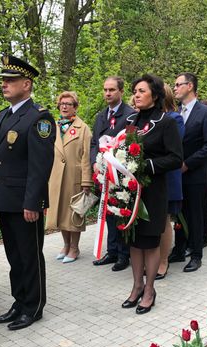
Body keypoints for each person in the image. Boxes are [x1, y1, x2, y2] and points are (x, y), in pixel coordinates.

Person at [0, 55, 55, 330]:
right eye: (3, 80)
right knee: (14, 256)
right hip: (5, 198)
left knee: (29, 256)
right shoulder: (2, 116)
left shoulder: (39, 118)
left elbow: (40, 166)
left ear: (26, 84)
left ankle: (34, 306)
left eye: (10, 80)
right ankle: (19, 301)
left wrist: (33, 202)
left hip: (25, 202)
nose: (4, 84)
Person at [121, 74, 183, 314]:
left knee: (149, 240)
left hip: (154, 190)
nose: (136, 95)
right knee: (134, 241)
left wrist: (145, 165)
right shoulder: (131, 121)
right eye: (135, 91)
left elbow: (175, 158)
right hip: (130, 191)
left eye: (142, 91)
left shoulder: (166, 122)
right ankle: (136, 286)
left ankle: (149, 290)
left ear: (155, 95)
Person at [169, 72, 207, 272]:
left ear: (189, 86)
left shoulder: (205, 112)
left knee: (195, 215)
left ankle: (196, 254)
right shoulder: (176, 112)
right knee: (178, 213)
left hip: (195, 173)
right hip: (176, 174)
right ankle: (179, 249)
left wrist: (188, 164)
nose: (175, 88)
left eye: (178, 84)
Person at [90, 76, 134, 271]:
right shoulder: (101, 116)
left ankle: (124, 254)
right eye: (105, 90)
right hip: (103, 173)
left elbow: (131, 144)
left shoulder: (130, 115)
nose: (107, 93)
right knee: (108, 212)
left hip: (120, 174)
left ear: (121, 91)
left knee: (120, 212)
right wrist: (94, 162)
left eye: (112, 90)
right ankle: (112, 250)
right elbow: (94, 142)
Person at [46, 91, 93, 263]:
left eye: (69, 104)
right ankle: (66, 245)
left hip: (74, 177)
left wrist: (86, 181)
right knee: (60, 213)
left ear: (75, 107)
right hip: (56, 177)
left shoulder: (83, 128)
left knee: (74, 214)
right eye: (62, 104)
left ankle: (74, 248)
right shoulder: (53, 126)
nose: (64, 107)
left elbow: (87, 156)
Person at [156, 84, 184, 280]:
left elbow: (172, 148)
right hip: (148, 177)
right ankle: (152, 258)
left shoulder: (174, 118)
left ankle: (163, 261)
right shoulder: (144, 119)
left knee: (164, 220)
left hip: (166, 176)